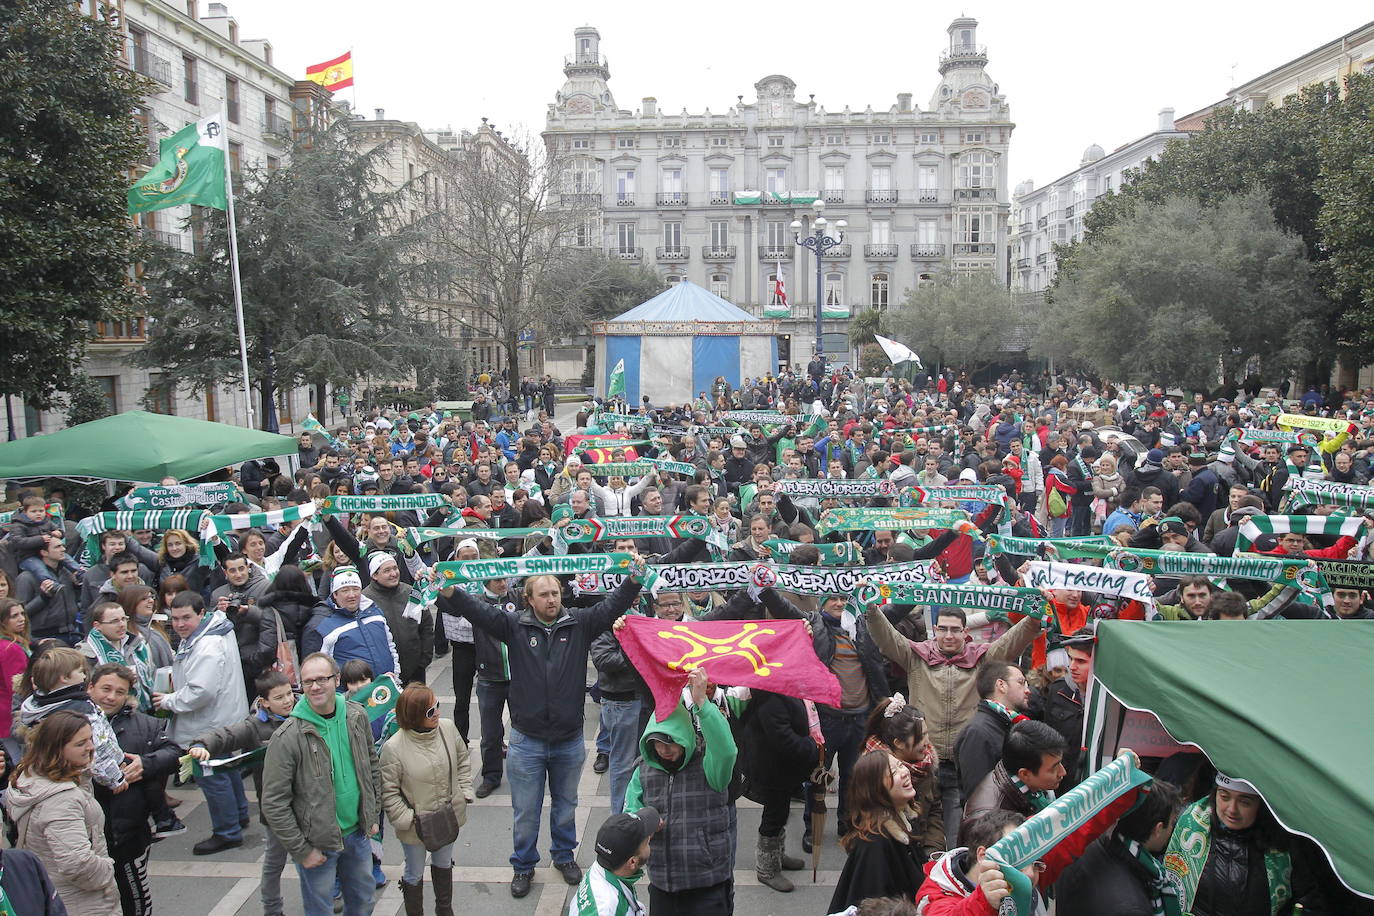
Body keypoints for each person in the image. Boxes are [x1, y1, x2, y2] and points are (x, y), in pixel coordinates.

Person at [437, 570, 645, 898]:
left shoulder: (580, 622)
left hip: (569, 739)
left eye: (555, 593)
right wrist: (449, 590)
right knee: (525, 810)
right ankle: (523, 865)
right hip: (527, 740)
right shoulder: (513, 626)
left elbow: (611, 606)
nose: (552, 599)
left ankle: (563, 856)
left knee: (565, 806)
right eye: (544, 595)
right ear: (529, 599)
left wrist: (633, 579)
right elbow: (478, 611)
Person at [861, 599, 1040, 846]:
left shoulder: (981, 659)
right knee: (918, 829)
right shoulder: (916, 656)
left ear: (965, 633)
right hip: (921, 763)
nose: (948, 635)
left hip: (961, 765)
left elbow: (1011, 643)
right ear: (934, 630)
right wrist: (871, 610)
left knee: (959, 831)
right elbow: (886, 637)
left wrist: (1033, 618)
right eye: (943, 629)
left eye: (955, 629)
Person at [260, 652, 382, 916]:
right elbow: (273, 803)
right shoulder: (287, 737)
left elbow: (371, 766)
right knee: (320, 910)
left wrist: (372, 814)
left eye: (321, 679)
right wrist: (301, 850)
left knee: (363, 901)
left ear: (336, 679)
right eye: (307, 682)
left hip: (356, 834)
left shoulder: (356, 716)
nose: (315, 687)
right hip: (317, 844)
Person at [622, 667, 737, 913]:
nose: (664, 749)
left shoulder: (709, 766)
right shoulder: (642, 771)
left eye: (672, 741)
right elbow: (630, 815)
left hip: (709, 884)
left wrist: (702, 704)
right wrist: (643, 824)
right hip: (663, 884)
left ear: (685, 735)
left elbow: (727, 750)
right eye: (658, 742)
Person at [185, 670, 297, 916]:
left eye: (289, 693)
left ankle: (325, 896)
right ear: (264, 702)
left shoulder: (304, 714)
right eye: (279, 697)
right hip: (275, 810)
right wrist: (201, 745)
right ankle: (272, 908)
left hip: (307, 804)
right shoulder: (254, 727)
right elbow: (224, 736)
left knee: (311, 859)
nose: (288, 700)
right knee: (274, 861)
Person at [153, 592, 250, 855]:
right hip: (223, 719)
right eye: (175, 619)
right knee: (226, 768)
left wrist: (168, 701)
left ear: (200, 614)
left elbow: (200, 692)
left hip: (207, 725)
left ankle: (227, 831)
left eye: (186, 618)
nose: (180, 624)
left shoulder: (206, 646)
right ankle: (239, 816)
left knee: (211, 776)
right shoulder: (214, 631)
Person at [87, 662, 185, 914]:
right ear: (90, 688)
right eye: (105, 689)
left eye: (119, 692)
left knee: (136, 901)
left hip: (129, 832)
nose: (111, 697)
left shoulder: (144, 724)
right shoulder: (73, 724)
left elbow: (175, 754)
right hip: (89, 832)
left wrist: (147, 763)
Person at [1164, 773, 1331, 916]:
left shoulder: (1285, 845)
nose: (1232, 809)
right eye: (1224, 796)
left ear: (1261, 805)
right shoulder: (1188, 824)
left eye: (1245, 802)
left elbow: (1310, 901)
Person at [8, 708, 122, 915]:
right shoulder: (61, 800)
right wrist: (107, 870)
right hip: (81, 903)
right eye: (80, 744)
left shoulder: (32, 776)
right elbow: (77, 864)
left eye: (90, 739)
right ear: (55, 749)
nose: (90, 747)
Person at [380, 682, 471, 916]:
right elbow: (388, 791)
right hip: (416, 826)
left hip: (448, 816)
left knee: (443, 864)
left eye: (437, 706)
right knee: (414, 873)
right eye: (431, 711)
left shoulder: (447, 728)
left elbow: (462, 759)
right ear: (414, 716)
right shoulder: (394, 748)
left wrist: (464, 791)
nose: (438, 713)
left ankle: (444, 909)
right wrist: (408, 819)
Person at [1056, 780, 1184, 916]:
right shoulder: (1133, 908)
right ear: (1158, 829)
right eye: (1171, 823)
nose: (1172, 829)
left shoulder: (1085, 847)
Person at [829, 750, 927, 912]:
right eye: (893, 772)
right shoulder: (875, 844)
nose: (904, 773)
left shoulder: (903, 821)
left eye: (901, 765)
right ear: (875, 790)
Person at [862, 696, 945, 861]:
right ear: (898, 743)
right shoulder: (874, 775)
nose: (927, 743)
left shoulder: (925, 765)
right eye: (921, 737)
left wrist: (933, 851)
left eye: (927, 734)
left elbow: (934, 811)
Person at [961, 720, 1065, 831]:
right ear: (1024, 774)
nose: (1063, 772)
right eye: (1054, 767)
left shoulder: (1022, 778)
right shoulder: (988, 825)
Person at [303, 566, 400, 679]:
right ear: (335, 594)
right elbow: (318, 669)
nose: (352, 595)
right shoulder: (323, 624)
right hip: (351, 694)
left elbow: (390, 646)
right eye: (345, 590)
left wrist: (396, 676)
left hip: (386, 689)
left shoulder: (374, 612)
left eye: (355, 589)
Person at [954, 661, 1031, 802]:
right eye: (1021, 683)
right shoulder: (977, 733)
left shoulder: (1011, 724)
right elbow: (978, 797)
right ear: (1001, 685)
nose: (1027, 690)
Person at [570, 807, 661, 916]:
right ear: (632, 862)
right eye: (646, 843)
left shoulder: (600, 868)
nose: (650, 839)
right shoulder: (607, 909)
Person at [361, 553, 432, 686]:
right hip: (384, 673)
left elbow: (426, 626)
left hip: (415, 669)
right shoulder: (365, 600)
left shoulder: (412, 592)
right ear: (374, 575)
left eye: (395, 568)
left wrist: (424, 659)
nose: (393, 573)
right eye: (387, 570)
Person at [80, 601, 156, 712]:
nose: (121, 625)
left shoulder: (139, 645)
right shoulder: (86, 652)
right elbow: (84, 689)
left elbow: (152, 673)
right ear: (97, 626)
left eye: (124, 619)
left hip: (143, 712)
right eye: (114, 621)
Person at [15, 534, 82, 645]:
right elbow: (23, 612)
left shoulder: (66, 572)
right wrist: (43, 597)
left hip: (72, 632)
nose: (63, 549)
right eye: (57, 547)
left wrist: (77, 586)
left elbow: (75, 600)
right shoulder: (26, 578)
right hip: (45, 637)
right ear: (44, 552)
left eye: (62, 546)